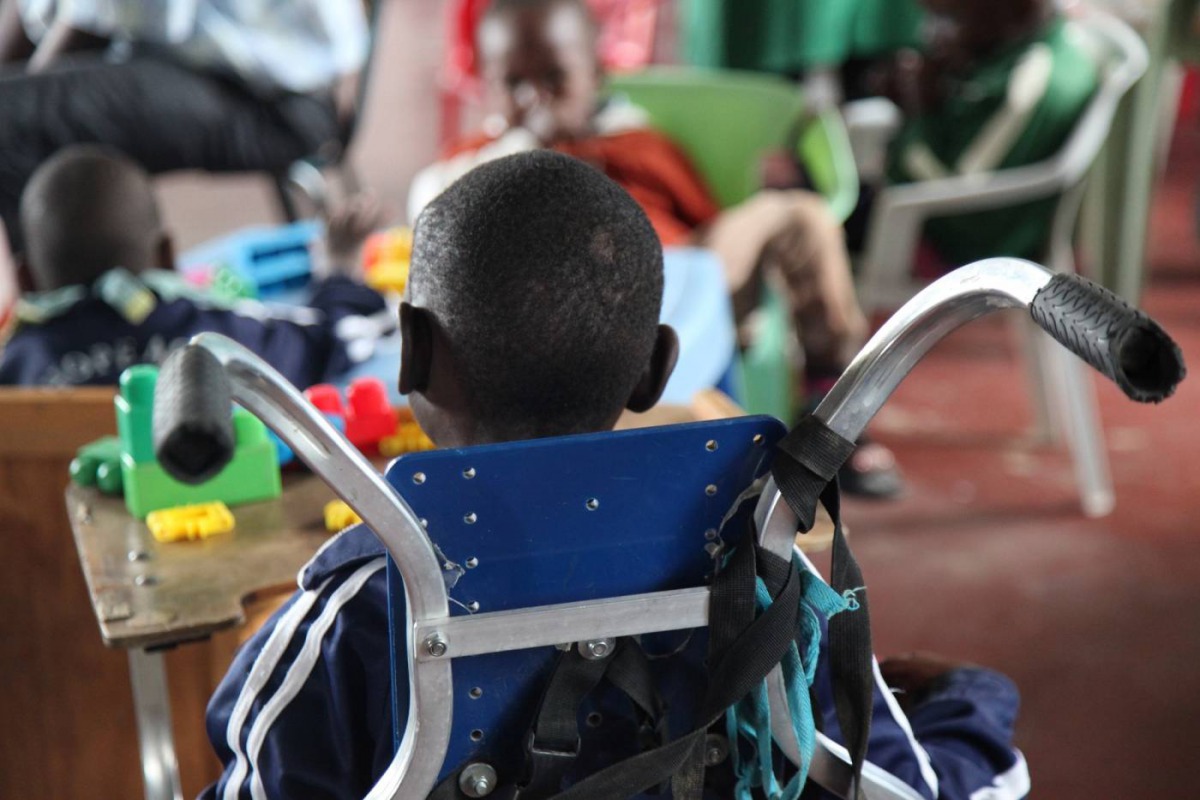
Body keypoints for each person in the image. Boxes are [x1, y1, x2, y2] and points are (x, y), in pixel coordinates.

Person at [202, 150, 1028, 799]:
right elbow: (899, 783)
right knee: (959, 692)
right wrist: (972, 704)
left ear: (412, 352)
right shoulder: (765, 583)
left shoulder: (353, 618)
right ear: (656, 370)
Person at [409, 0, 903, 499]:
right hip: (549, 330)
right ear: (486, 85)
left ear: (598, 73)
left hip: (685, 275)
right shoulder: (474, 161)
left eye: (556, 77)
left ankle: (832, 408)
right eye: (513, 84)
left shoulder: (631, 137)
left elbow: (697, 215)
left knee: (799, 214)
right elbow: (436, 226)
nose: (536, 97)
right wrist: (528, 154)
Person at [0, 146, 387, 388]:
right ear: (169, 256)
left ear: (26, 280)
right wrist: (338, 267)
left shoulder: (16, 368)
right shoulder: (222, 336)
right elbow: (334, 338)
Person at [0, 0, 368, 254]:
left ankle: (55, 333)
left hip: (279, 97)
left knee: (16, 126)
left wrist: (20, 101)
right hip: (218, 62)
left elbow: (97, 16)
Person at [881, 0, 1098, 265]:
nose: (947, 29)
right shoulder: (1046, 41)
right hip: (959, 212)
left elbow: (957, 191)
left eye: (956, 16)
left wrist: (919, 110)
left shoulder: (1028, 83)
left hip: (960, 244)